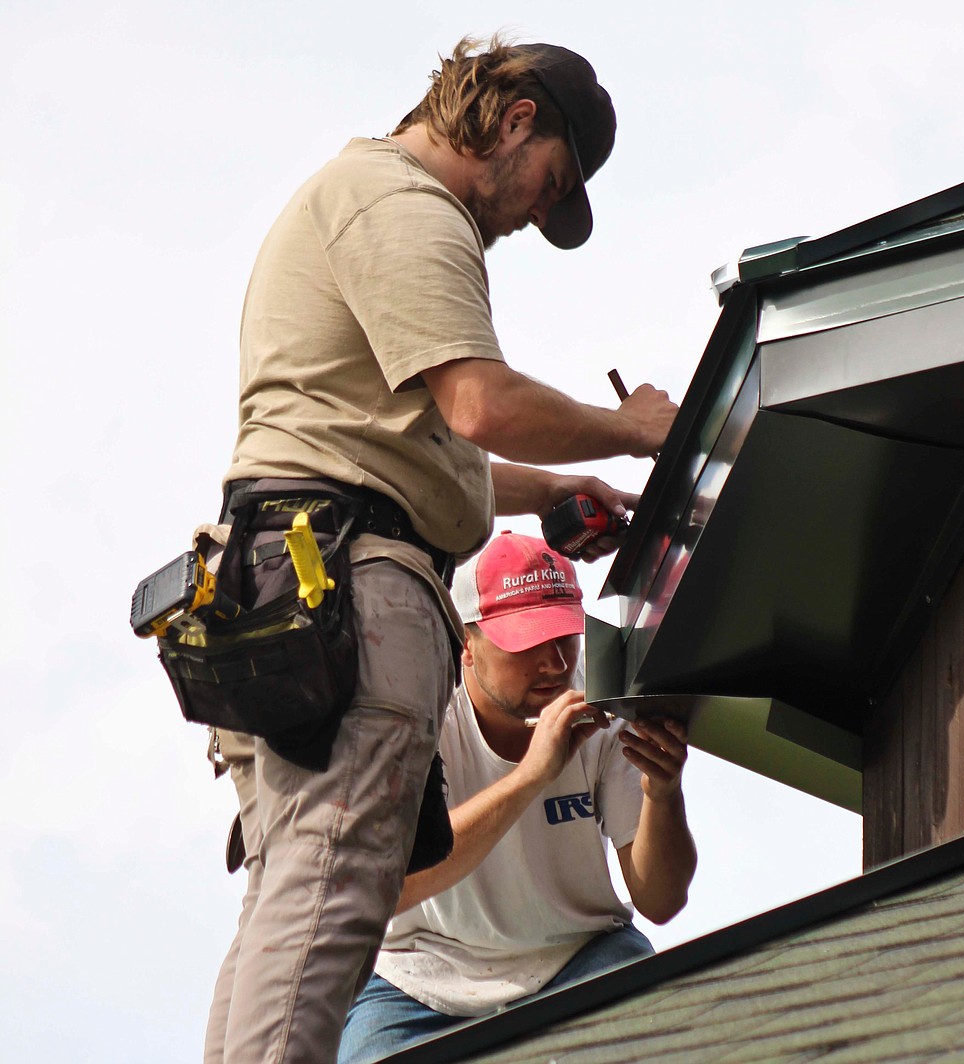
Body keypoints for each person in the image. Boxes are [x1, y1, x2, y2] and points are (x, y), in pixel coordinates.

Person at [202, 34, 680, 1064]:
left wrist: (558, 487)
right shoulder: (405, 206)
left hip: (283, 574)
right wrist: (634, 430)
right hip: (349, 579)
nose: (523, 218)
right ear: (513, 120)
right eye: (543, 185)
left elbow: (410, 443)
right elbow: (480, 402)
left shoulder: (355, 201)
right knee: (337, 875)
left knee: (294, 885)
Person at [337, 532, 697, 1062]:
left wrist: (663, 794)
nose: (553, 664)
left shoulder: (606, 701)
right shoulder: (417, 713)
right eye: (527, 642)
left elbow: (661, 903)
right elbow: (385, 891)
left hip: (580, 953)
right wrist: (531, 775)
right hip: (422, 977)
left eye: (564, 637)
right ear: (466, 643)